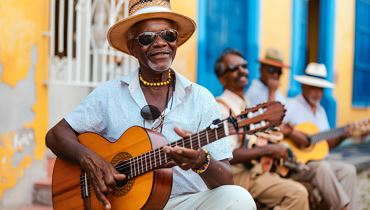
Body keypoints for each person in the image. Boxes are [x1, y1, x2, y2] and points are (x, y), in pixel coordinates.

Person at [45, 1, 256, 210]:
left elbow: (226, 178)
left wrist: (201, 160)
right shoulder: (109, 94)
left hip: (184, 203)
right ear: (132, 48)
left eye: (168, 35)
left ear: (176, 42)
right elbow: (55, 135)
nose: (160, 43)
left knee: (238, 198)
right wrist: (89, 159)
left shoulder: (200, 98)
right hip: (123, 205)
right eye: (147, 38)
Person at [215, 48, 309, 210]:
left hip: (255, 170)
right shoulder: (221, 107)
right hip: (237, 175)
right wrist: (270, 149)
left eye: (243, 66)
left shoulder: (246, 105)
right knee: (297, 194)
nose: (242, 70)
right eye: (234, 68)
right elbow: (226, 156)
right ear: (222, 79)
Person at [281, 62, 358, 210]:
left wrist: (343, 136)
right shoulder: (289, 105)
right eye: (313, 87)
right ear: (303, 86)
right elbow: (278, 129)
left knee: (349, 170)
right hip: (296, 164)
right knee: (323, 167)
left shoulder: (321, 111)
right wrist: (293, 134)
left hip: (319, 162)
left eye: (320, 88)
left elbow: (325, 143)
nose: (317, 92)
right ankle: (343, 208)